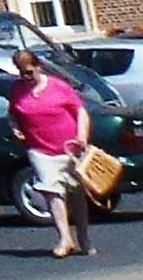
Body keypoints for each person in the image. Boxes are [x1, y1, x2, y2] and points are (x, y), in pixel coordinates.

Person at [10, 47, 91, 258]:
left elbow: (80, 110)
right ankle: (65, 238)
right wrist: (15, 128)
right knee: (51, 191)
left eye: (29, 72)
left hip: (69, 148)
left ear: (38, 67)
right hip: (39, 149)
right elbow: (13, 113)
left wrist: (81, 136)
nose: (26, 77)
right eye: (21, 72)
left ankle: (83, 236)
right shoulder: (17, 89)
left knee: (76, 194)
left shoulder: (58, 87)